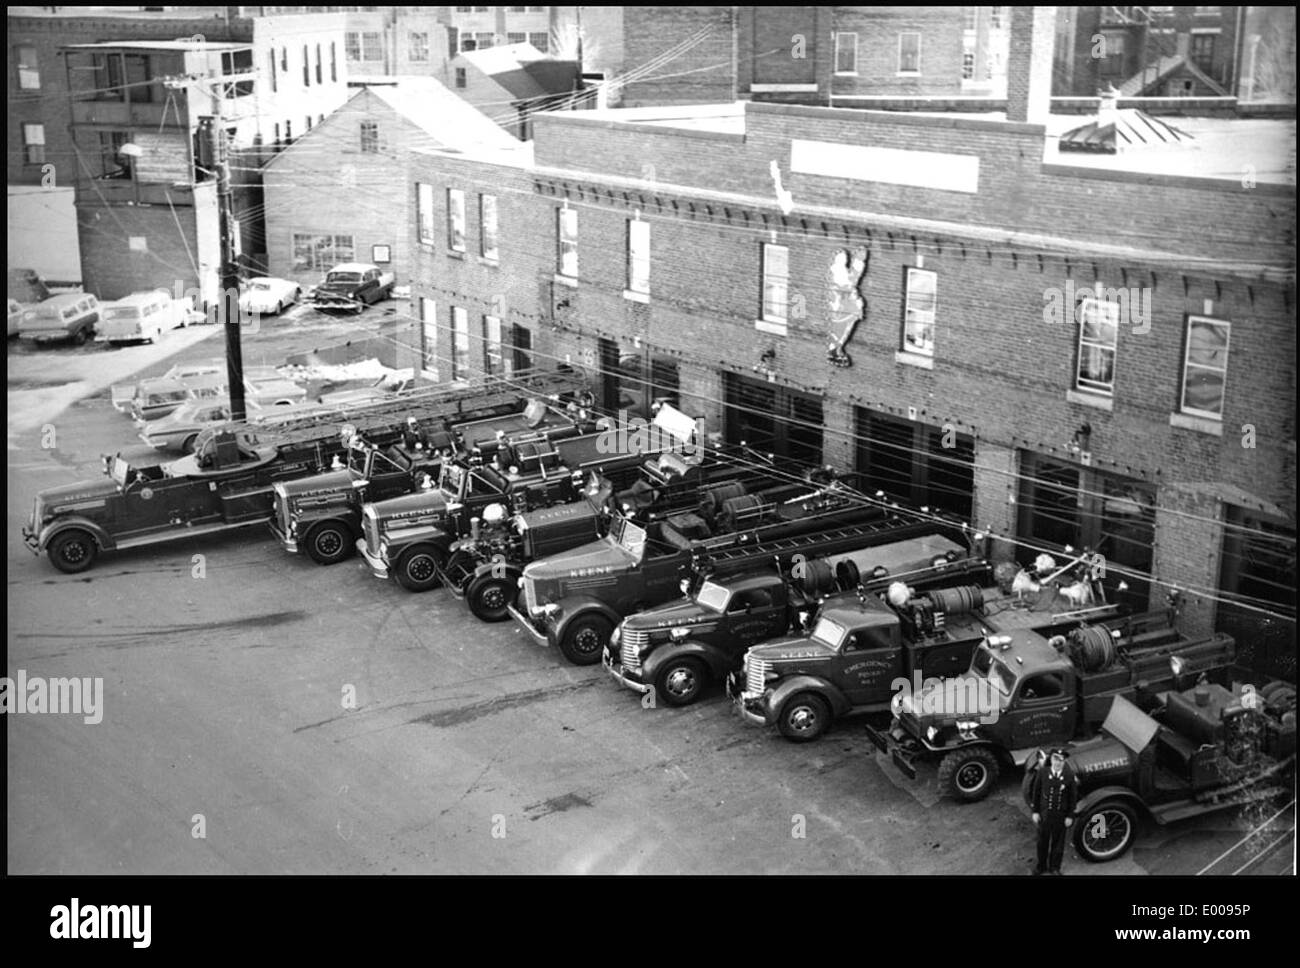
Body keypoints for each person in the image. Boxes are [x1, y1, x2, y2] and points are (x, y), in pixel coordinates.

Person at [1029, 747, 1079, 875]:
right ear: (1051, 760)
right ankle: (1041, 866)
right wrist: (1035, 811)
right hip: (1044, 815)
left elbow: (1073, 797)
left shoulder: (1069, 776)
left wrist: (1070, 816)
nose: (1058, 763)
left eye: (1061, 760)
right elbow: (1037, 792)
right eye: (1056, 759)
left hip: (1060, 816)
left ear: (1064, 762)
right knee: (1042, 843)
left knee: (1058, 844)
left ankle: (1055, 868)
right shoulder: (1043, 773)